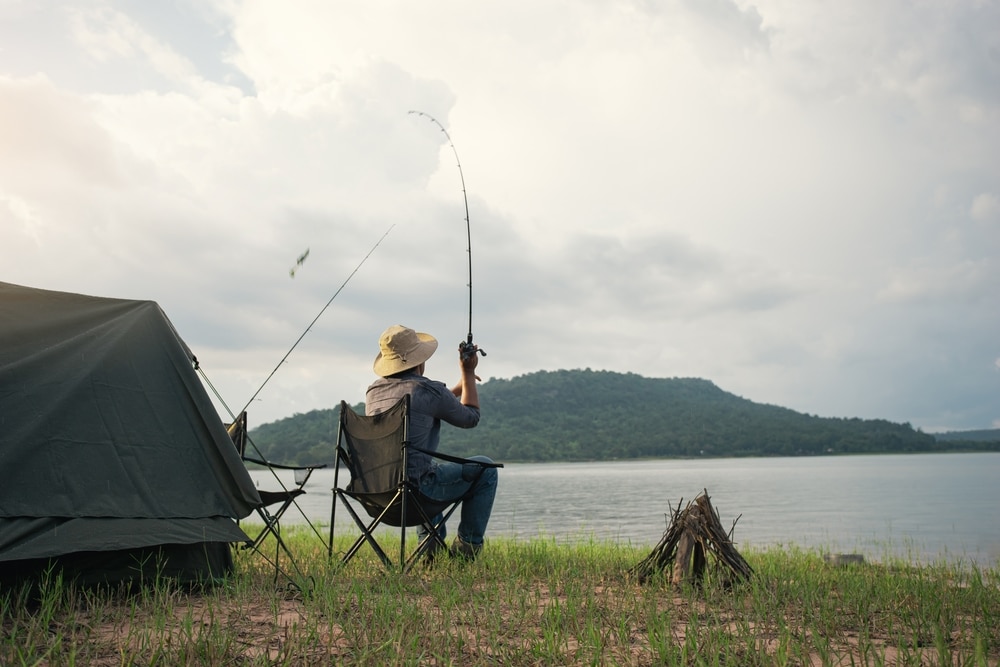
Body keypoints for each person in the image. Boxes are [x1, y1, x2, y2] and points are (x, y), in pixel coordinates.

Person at [365, 324, 499, 561]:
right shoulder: (428, 391)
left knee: (416, 466)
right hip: (416, 494)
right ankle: (466, 551)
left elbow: (429, 401)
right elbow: (470, 418)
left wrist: (459, 386)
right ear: (420, 360)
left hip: (377, 497)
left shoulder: (374, 392)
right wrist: (468, 373)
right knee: (485, 469)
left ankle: (429, 550)